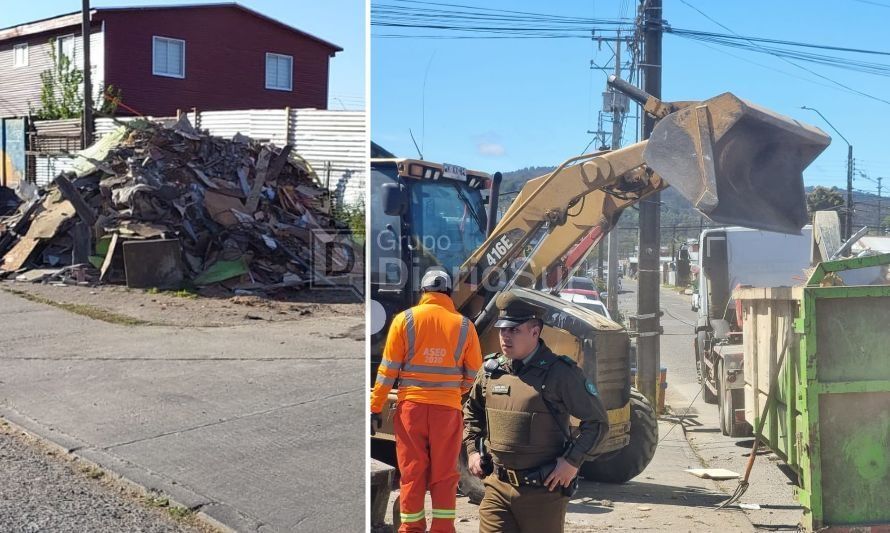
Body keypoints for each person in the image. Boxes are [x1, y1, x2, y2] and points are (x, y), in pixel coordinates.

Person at [463, 291, 609, 533]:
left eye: (514, 330)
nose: (505, 337)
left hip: (542, 493)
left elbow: (597, 422)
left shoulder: (560, 373)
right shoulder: (491, 371)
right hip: (496, 487)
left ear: (535, 331)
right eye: (502, 330)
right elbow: (472, 412)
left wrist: (572, 462)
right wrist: (471, 451)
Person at [370, 267, 483, 533]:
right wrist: (455, 391)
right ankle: (443, 528)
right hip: (448, 410)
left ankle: (411, 528)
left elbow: (387, 371)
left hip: (412, 410)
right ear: (447, 293)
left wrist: (375, 407)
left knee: (412, 472)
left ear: (423, 292)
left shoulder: (404, 320)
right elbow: (474, 374)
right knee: (445, 475)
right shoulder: (465, 326)